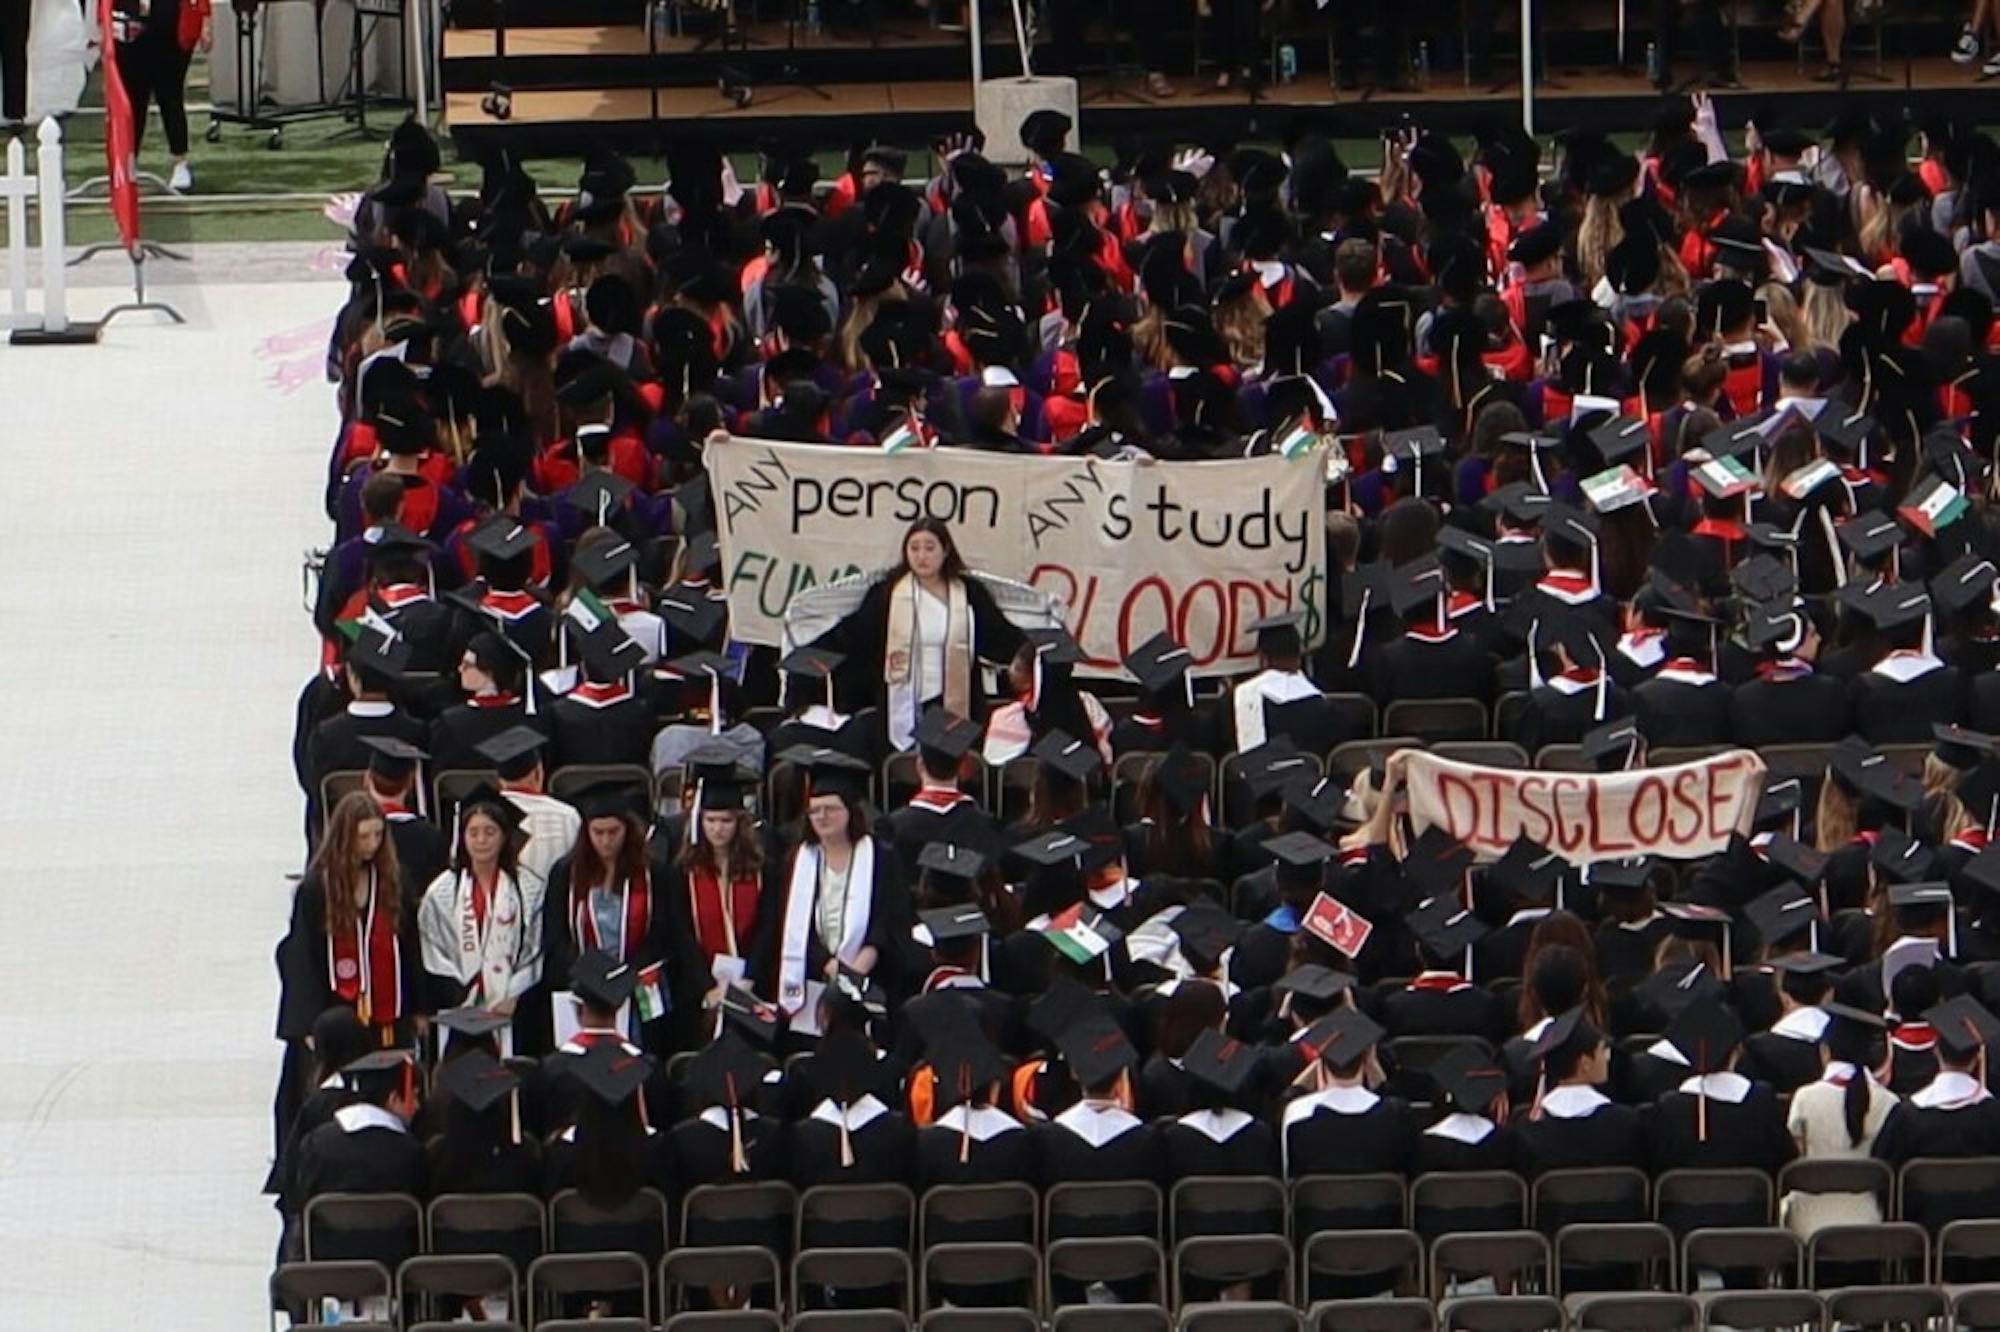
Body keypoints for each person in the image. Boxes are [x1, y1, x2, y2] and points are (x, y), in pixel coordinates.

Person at [817, 518, 1026, 754]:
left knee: (945, 762)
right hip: (901, 697)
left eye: (929, 548)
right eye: (914, 548)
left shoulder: (969, 593)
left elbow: (1000, 636)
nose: (921, 556)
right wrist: (813, 657)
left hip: (953, 697)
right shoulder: (887, 593)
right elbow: (854, 635)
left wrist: (1031, 653)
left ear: (945, 550)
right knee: (902, 763)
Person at [769, 749, 910, 1027]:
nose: (822, 817)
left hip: (871, 972)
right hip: (813, 974)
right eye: (815, 810)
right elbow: (791, 922)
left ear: (850, 812)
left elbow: (889, 917)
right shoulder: (798, 860)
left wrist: (858, 967)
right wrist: (827, 963)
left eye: (831, 809)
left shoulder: (881, 857)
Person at [417, 785, 548, 1034]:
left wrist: (513, 994)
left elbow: (535, 949)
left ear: (504, 836)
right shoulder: (442, 891)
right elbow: (432, 946)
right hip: (457, 1009)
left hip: (512, 1009)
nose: (481, 841)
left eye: (490, 832)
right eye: (473, 833)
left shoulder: (529, 888)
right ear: (463, 837)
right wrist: (462, 990)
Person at [663, 767, 774, 1044]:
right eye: (710, 820)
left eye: (726, 820)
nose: (717, 828)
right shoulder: (683, 872)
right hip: (699, 989)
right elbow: (681, 933)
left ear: (739, 823)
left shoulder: (762, 870)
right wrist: (707, 987)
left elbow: (768, 927)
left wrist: (749, 978)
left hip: (751, 985)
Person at [1782, 1002, 1897, 1238]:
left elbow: (1795, 1153)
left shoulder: (1806, 1098)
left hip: (1808, 1222)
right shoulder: (1889, 1102)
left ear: (1825, 1052)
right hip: (1871, 1218)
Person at [109, 0, 211, 192]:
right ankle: (128, 162)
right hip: (127, 20)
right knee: (133, 100)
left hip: (170, 23)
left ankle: (180, 161)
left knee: (171, 96)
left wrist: (205, 19)